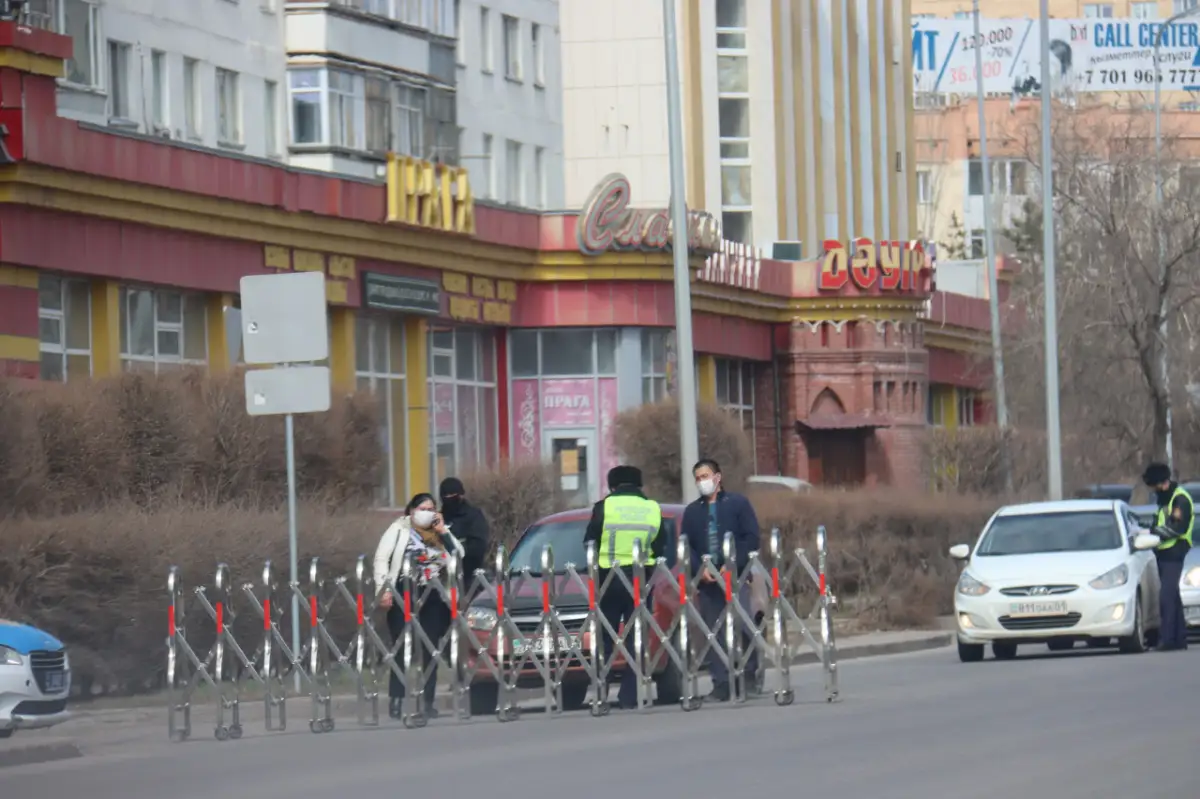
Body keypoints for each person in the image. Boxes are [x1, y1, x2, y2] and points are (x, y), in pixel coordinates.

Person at [583, 465, 666, 710]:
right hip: (641, 580)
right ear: (639, 484)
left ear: (613, 485)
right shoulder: (652, 508)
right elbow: (661, 545)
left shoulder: (604, 507)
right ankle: (629, 695)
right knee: (636, 637)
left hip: (608, 579)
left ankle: (601, 691)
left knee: (605, 637)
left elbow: (590, 540)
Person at [679, 459, 761, 702]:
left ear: (718, 477)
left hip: (737, 576)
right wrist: (699, 569)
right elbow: (687, 546)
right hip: (709, 581)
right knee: (714, 631)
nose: (702, 481)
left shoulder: (737, 504)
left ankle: (748, 675)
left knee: (744, 626)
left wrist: (734, 563)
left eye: (706, 475)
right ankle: (722, 683)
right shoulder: (693, 512)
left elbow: (751, 537)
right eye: (698, 478)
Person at [373, 493, 453, 719]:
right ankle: (396, 699)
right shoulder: (398, 528)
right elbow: (381, 558)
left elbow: (458, 555)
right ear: (412, 510)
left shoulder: (439, 531)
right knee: (401, 645)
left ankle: (427, 700)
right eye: (423, 508)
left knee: (431, 646)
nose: (427, 513)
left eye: (431, 509)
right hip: (403, 589)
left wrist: (444, 532)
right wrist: (383, 589)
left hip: (432, 591)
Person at [1142, 462, 1193, 651]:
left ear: (1162, 482)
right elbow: (1160, 522)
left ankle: (1168, 640)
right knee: (1173, 596)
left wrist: (1151, 533)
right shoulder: (1165, 500)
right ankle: (1179, 638)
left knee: (1166, 597)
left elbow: (1175, 528)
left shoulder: (1179, 499)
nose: (1153, 490)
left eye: (1154, 485)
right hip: (1164, 553)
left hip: (1175, 552)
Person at [438, 477, 491, 593]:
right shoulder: (440, 518)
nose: (449, 499)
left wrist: (460, 550)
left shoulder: (473, 516)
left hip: (469, 579)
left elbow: (478, 546)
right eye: (445, 496)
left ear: (461, 495)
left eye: (452, 495)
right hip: (443, 578)